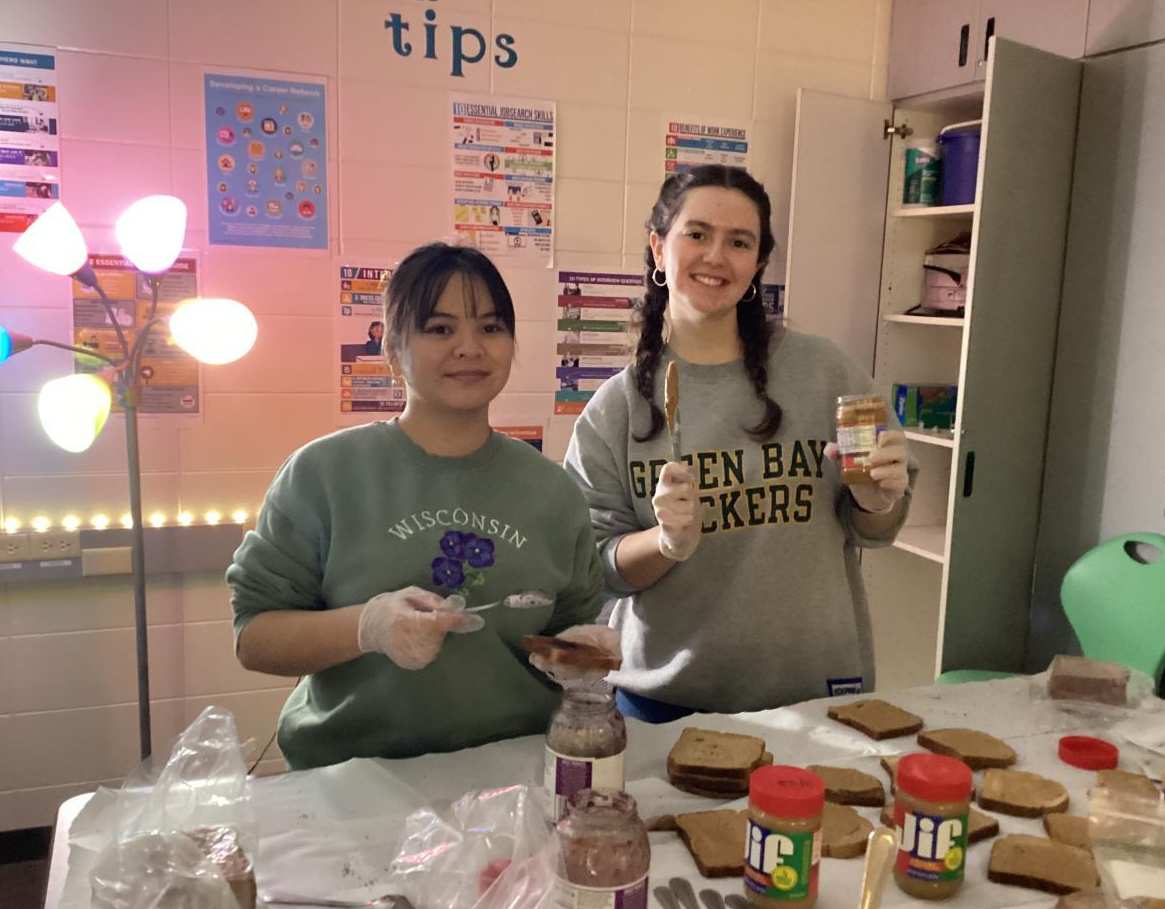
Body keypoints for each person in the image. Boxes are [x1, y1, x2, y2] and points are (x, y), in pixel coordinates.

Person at [229, 242, 606, 769]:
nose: (469, 347)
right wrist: (367, 627)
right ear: (392, 349)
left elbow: (569, 629)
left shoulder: (551, 489)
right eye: (439, 328)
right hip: (354, 781)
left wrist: (579, 654)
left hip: (514, 774)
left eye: (491, 327)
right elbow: (255, 638)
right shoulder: (324, 474)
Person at [563, 166, 915, 723]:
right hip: (665, 698)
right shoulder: (615, 410)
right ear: (658, 249)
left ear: (757, 263)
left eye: (739, 242)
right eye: (697, 234)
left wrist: (876, 502)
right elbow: (597, 569)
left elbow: (875, 527)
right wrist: (665, 543)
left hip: (816, 691)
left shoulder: (825, 373)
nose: (716, 256)